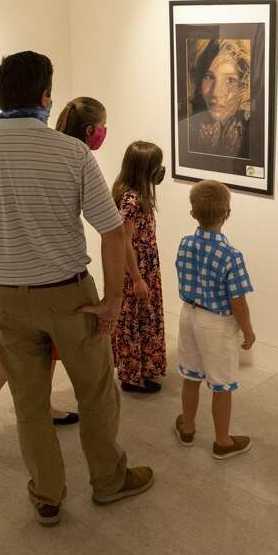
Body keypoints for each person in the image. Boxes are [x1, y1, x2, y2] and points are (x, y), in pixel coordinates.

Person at [0, 52, 152, 526]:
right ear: (44, 96)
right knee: (95, 394)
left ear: (0, 96)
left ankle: (47, 495)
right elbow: (113, 231)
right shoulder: (71, 153)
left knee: (29, 404)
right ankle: (108, 481)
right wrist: (114, 298)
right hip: (70, 296)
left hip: (5, 299)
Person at [0, 96, 109, 455]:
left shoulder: (64, 152)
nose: (104, 134)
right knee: (13, 355)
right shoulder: (65, 155)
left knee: (38, 349)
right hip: (27, 276)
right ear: (90, 130)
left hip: (30, 272)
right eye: (102, 127)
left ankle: (35, 407)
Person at [173, 180, 255, 460]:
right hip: (216, 324)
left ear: (193, 212)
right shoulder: (231, 255)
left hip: (188, 314)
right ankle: (222, 440)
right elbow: (238, 301)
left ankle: (187, 426)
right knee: (221, 384)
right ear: (227, 213)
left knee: (190, 375)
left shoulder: (185, 244)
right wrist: (248, 332)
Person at [110, 141, 167, 394]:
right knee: (134, 319)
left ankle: (140, 368)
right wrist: (136, 279)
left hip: (145, 267)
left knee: (143, 318)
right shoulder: (132, 199)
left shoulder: (136, 194)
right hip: (137, 269)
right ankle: (132, 377)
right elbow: (124, 240)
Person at [187, 38, 252, 158]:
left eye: (230, 80)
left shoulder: (252, 133)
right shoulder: (189, 128)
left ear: (244, 85)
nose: (215, 92)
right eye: (209, 77)